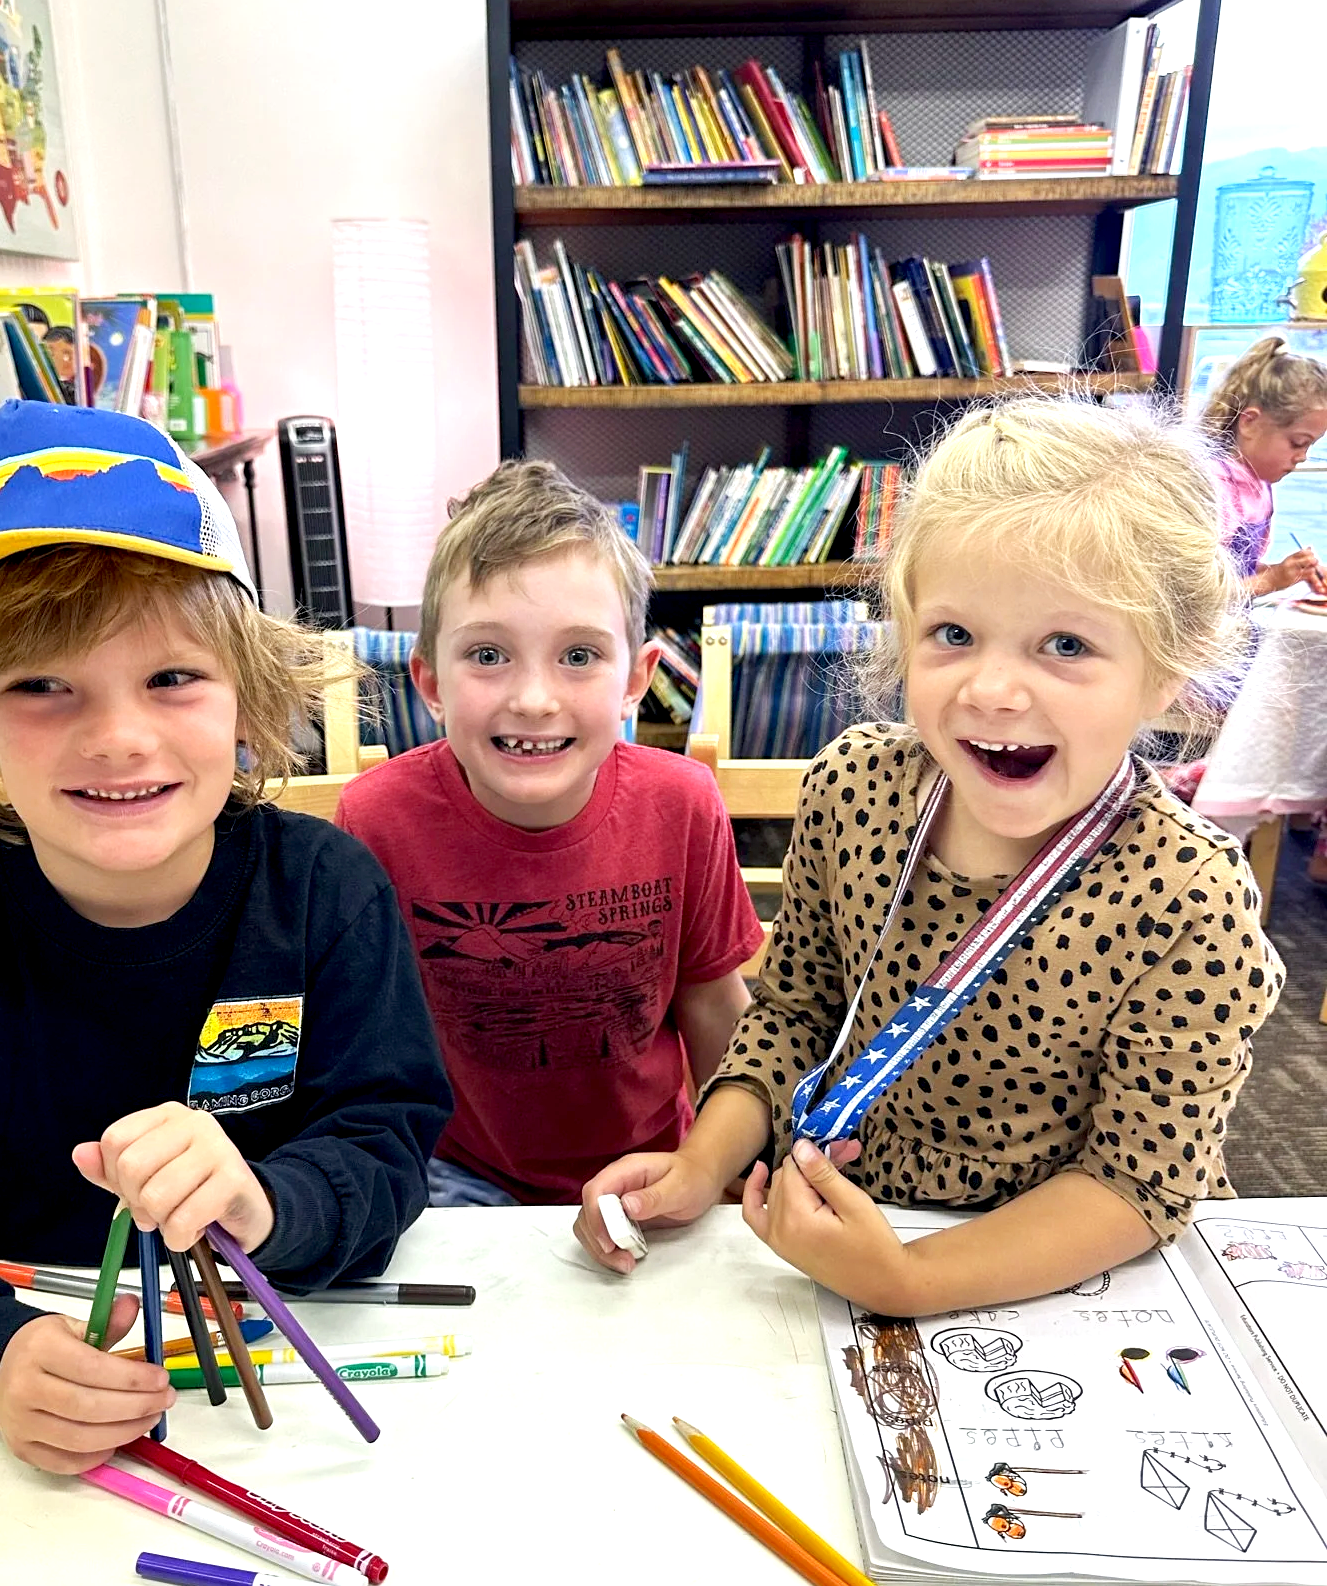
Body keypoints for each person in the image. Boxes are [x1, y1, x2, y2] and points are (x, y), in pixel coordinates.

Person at [0, 402, 451, 1474]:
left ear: (246, 699)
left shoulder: (325, 889)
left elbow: (387, 1136)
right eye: (41, 685)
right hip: (36, 1378)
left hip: (290, 1363)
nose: (117, 737)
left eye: (171, 677)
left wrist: (267, 1199)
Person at [575, 396, 1285, 1310]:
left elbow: (1136, 1183)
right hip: (850, 1226)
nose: (992, 689)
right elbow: (794, 1013)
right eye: (954, 634)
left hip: (1057, 1278)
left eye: (1066, 644)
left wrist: (912, 1280)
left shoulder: (1190, 894)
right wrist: (702, 1162)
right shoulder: (855, 790)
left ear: (1166, 671)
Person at [335, 459, 764, 1206]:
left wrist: (727, 1165)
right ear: (430, 682)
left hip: (658, 1163)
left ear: (636, 679)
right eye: (488, 655)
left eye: (578, 656)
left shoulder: (683, 804)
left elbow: (714, 1009)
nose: (534, 700)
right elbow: (361, 1044)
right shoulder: (375, 820)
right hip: (457, 1176)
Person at [1201, 335, 1327, 598]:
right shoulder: (1210, 488)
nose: (1302, 457)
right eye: (1297, 443)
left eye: (1310, 445)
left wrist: (1290, 572)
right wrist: (1272, 580)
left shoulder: (1259, 483)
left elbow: (1241, 572)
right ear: (1249, 422)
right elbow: (1199, 593)